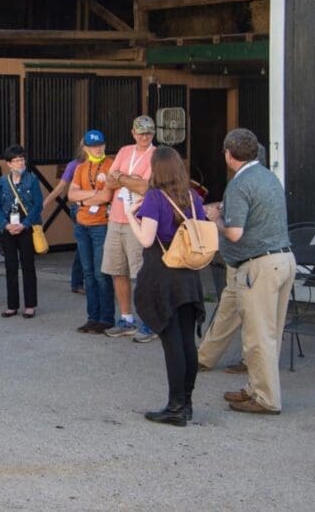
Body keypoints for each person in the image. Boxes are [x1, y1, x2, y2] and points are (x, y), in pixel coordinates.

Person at [205, 129, 296, 416]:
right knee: (270, 332)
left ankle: (266, 399)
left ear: (229, 154)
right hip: (283, 259)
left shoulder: (239, 184)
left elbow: (234, 233)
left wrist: (216, 217)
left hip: (258, 265)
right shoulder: (269, 177)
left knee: (258, 336)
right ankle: (254, 388)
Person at [125, 146, 207, 426]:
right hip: (189, 275)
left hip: (164, 276)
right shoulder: (193, 197)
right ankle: (187, 403)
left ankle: (175, 407)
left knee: (172, 343)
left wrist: (128, 216)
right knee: (187, 342)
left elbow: (147, 240)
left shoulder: (154, 198)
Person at [197, 142, 267, 374]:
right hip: (243, 260)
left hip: (247, 261)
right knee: (233, 310)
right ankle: (207, 357)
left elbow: (235, 229)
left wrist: (216, 219)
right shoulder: (264, 182)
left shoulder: (244, 184)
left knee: (246, 315)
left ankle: (247, 365)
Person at [102, 115, 157, 342]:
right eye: (141, 132)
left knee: (141, 274)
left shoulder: (156, 155)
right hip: (116, 217)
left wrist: (120, 177)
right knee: (117, 270)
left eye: (149, 133)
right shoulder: (125, 151)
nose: (145, 137)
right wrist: (128, 178)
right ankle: (126, 318)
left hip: (139, 219)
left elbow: (144, 187)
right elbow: (108, 182)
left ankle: (149, 321)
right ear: (133, 132)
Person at [67, 130, 115, 334]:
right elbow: (70, 194)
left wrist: (83, 199)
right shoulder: (80, 168)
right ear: (85, 148)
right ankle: (92, 317)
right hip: (82, 224)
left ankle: (106, 318)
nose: (98, 148)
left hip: (101, 224)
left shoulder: (111, 165)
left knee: (101, 273)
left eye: (101, 145)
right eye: (94, 145)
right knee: (87, 273)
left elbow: (107, 196)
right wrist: (93, 194)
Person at [0, 145, 42, 319]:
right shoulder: (1, 182)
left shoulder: (32, 179)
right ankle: (12, 305)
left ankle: (30, 305)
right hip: (8, 227)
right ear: (8, 164)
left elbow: (38, 204)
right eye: (16, 160)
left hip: (26, 226)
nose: (20, 163)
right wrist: (5, 224)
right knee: (10, 266)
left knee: (28, 265)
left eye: (22, 159)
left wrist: (25, 224)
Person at [42, 145, 85, 294]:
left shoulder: (104, 163)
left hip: (98, 208)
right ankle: (78, 281)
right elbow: (60, 188)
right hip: (79, 208)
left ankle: (84, 282)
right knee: (84, 245)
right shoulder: (74, 165)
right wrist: (43, 205)